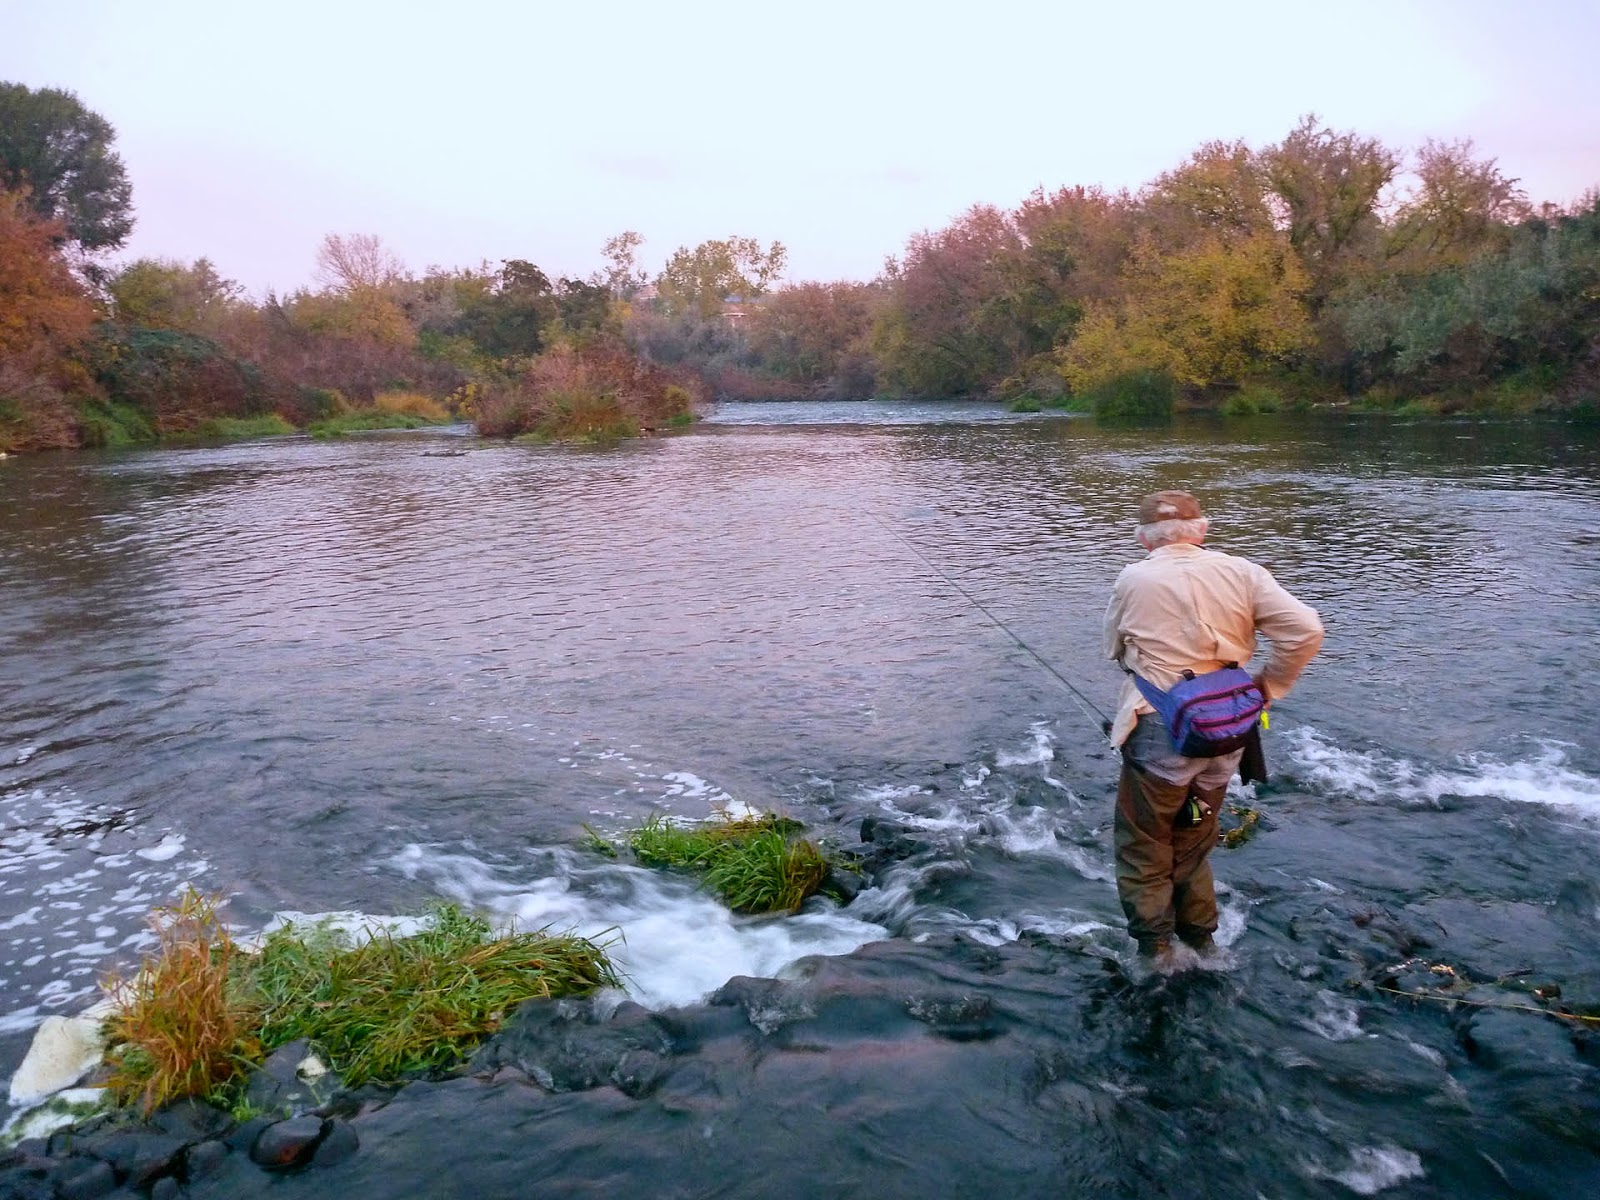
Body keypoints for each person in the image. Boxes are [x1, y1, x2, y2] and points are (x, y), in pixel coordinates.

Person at [1104, 490, 1323, 966]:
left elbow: (1114, 648)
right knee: (1196, 832)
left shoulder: (1133, 577)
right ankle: (1203, 942)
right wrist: (1268, 685)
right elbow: (1306, 630)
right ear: (1202, 530)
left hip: (1160, 729)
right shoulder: (1243, 571)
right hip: (1229, 729)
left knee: (1146, 840)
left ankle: (1157, 952)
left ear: (1144, 540)